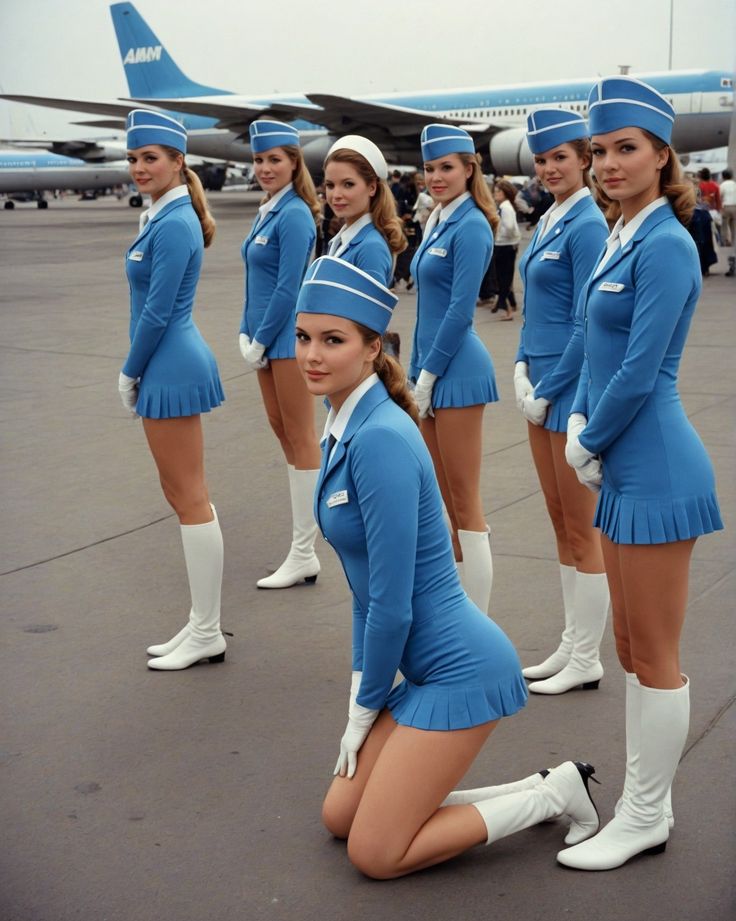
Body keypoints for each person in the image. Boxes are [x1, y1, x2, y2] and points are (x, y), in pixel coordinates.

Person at [294, 255, 599, 880]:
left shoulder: (377, 436)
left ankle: (556, 794)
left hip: (461, 670)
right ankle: (514, 790)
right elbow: (362, 591)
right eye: (303, 337)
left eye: (333, 339)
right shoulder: (343, 425)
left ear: (373, 346)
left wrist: (364, 709)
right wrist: (362, 686)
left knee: (374, 854)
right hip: (421, 669)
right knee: (339, 816)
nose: (312, 355)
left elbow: (392, 604)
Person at [558, 76, 723, 871]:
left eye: (627, 148)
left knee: (654, 652)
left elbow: (642, 365)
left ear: (664, 154)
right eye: (601, 150)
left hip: (655, 463)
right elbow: (595, 346)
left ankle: (645, 813)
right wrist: (582, 422)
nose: (610, 163)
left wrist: (590, 435)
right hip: (620, 457)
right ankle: (634, 802)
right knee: (627, 645)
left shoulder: (665, 243)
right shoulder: (620, 233)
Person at [119, 110, 226, 670]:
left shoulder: (177, 221)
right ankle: (198, 623)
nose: (139, 167)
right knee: (180, 495)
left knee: (190, 497)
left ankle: (207, 630)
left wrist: (129, 370)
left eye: (150, 158)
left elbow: (158, 311)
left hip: (169, 362)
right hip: (164, 362)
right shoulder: (161, 215)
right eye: (134, 158)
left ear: (178, 162)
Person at [513, 109, 610, 696]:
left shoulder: (588, 225)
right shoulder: (551, 218)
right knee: (558, 519)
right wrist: (523, 367)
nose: (549, 169)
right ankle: (572, 643)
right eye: (542, 159)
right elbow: (535, 310)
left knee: (581, 526)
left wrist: (547, 391)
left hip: (567, 389)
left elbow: (584, 323)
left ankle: (588, 657)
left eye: (560, 159)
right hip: (539, 385)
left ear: (584, 162)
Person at [409, 125, 500, 614]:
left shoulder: (471, 226)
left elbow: (459, 312)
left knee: (466, 505)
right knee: (442, 504)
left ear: (470, 168)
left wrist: (428, 374)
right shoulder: (438, 220)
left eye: (447, 167)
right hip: (430, 370)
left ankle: (477, 626)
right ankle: (456, 614)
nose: (437, 176)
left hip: (458, 373)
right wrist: (416, 372)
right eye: (429, 168)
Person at [239, 120, 323, 589]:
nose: (266, 167)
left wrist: (262, 336)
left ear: (294, 161)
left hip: (287, 341)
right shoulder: (268, 210)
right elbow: (256, 281)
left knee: (301, 436)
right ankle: (301, 549)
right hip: (265, 341)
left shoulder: (294, 215)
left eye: (275, 159)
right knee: (284, 434)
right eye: (259, 159)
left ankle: (304, 551)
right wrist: (243, 329)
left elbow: (289, 286)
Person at [323, 135, 406, 286]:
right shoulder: (345, 239)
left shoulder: (371, 248)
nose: (336, 195)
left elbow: (370, 310)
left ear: (372, 187)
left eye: (348, 184)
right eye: (330, 185)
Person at [491, 179, 522, 320]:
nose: (495, 194)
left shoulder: (505, 207)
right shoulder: (505, 206)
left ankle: (507, 309)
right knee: (504, 276)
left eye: (498, 191)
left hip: (504, 245)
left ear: (505, 193)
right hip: (505, 244)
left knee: (503, 278)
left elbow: (509, 227)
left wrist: (502, 236)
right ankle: (511, 303)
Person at [718, 167, 736, 275]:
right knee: (734, 228)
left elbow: (720, 197)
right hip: (735, 207)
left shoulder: (722, 185)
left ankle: (726, 239)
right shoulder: (734, 184)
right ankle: (733, 239)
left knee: (724, 225)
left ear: (723, 176)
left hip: (726, 207)